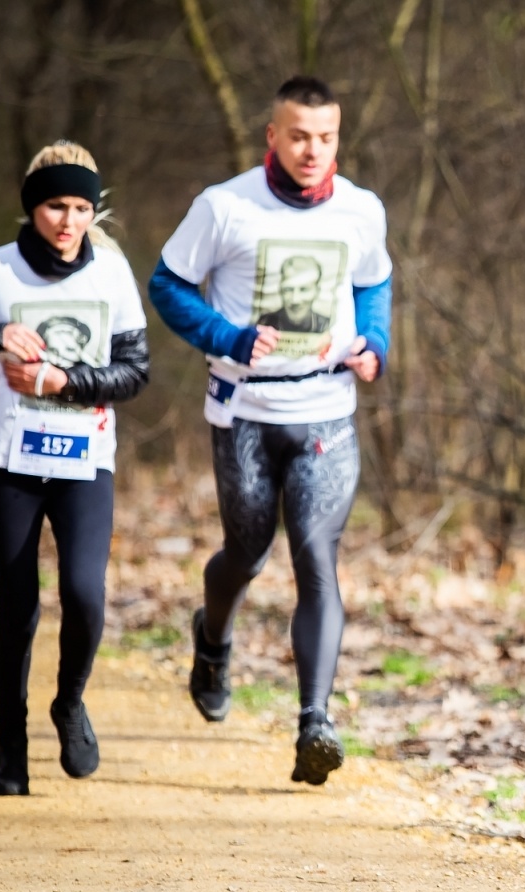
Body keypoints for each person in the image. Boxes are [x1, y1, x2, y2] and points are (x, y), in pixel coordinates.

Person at [148, 74, 392, 787]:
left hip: (326, 410)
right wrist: (223, 334)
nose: (313, 150)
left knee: (316, 554)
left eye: (325, 137)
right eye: (298, 137)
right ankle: (213, 637)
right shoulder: (223, 208)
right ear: (273, 137)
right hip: (246, 413)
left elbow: (375, 281)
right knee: (247, 554)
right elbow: (166, 284)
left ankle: (314, 720)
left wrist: (373, 343)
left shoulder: (360, 210)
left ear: (337, 138)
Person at [0, 141, 150, 795]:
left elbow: (135, 372)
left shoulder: (111, 274)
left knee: (85, 595)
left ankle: (68, 703)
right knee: (17, 608)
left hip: (85, 460)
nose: (68, 221)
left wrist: (61, 379)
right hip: (8, 461)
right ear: (31, 208)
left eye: (79, 207)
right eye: (54, 207)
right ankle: (9, 744)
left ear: (94, 210)